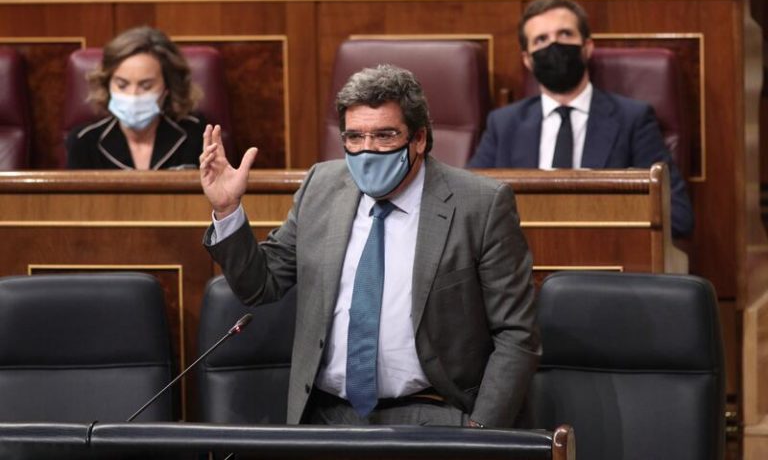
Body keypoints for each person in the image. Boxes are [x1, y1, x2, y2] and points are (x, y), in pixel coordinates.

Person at [200, 64, 540, 428]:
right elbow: (260, 285)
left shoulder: (480, 205)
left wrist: (481, 431)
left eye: (384, 136)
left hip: (434, 412)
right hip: (326, 415)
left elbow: (516, 333)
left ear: (419, 138)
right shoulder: (321, 186)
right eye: (354, 137)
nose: (367, 150)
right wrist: (227, 210)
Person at [468, 0, 694, 238]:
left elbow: (677, 215)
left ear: (587, 47)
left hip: (606, 253)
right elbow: (465, 207)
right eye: (541, 39)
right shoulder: (504, 124)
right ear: (527, 59)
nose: (554, 45)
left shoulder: (633, 119)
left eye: (565, 34)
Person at [66, 26, 204, 170]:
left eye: (146, 86)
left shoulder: (196, 134)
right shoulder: (84, 142)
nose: (133, 95)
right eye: (122, 85)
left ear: (167, 88)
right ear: (108, 85)